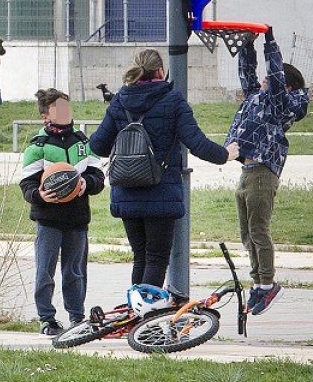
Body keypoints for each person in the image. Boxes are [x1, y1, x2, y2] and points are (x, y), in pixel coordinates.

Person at [88, 48, 239, 289]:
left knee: (140, 257)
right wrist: (225, 155)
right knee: (156, 259)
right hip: (160, 190)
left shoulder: (119, 101)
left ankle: (135, 316)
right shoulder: (172, 99)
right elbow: (196, 143)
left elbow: (97, 145)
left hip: (126, 190)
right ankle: (146, 318)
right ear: (161, 70)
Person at [224, 27, 308, 315]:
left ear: (282, 86)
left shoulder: (277, 103)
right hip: (247, 171)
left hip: (262, 173)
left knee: (259, 230)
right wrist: (248, 45)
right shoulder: (255, 98)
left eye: (268, 80)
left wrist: (270, 40)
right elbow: (247, 73)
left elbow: (273, 73)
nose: (261, 81)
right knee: (247, 234)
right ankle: (258, 283)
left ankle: (267, 284)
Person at [19, 88, 105, 336]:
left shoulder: (83, 143)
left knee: (75, 271)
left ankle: (77, 317)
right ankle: (47, 318)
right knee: (45, 271)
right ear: (46, 116)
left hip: (77, 220)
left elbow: (97, 176)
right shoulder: (38, 146)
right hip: (49, 220)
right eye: (59, 108)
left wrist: (86, 184)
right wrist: (39, 196)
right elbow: (27, 183)